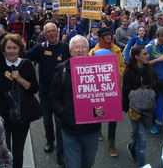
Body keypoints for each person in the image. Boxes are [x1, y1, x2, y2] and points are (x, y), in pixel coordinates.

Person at [0, 2, 39, 168]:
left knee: (18, 153)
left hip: (21, 114)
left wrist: (21, 80)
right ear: (3, 49)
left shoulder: (25, 64)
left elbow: (34, 89)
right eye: (8, 48)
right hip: (1, 114)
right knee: (4, 151)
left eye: (14, 48)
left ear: (20, 49)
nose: (11, 51)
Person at [50, 35, 104, 168]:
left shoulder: (99, 68)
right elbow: (53, 96)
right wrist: (64, 113)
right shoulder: (62, 69)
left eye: (83, 47)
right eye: (77, 47)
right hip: (70, 129)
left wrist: (103, 109)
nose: (80, 50)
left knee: (88, 162)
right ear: (71, 51)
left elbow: (107, 95)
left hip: (92, 129)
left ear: (88, 49)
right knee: (73, 165)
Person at [24, 22, 70, 167]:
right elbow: (25, 58)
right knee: (47, 120)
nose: (51, 34)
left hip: (62, 93)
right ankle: (50, 140)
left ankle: (61, 153)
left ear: (57, 32)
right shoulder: (40, 48)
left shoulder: (64, 46)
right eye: (48, 31)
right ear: (44, 34)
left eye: (53, 31)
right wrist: (20, 46)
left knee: (60, 121)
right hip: (45, 92)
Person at [88, 27, 125, 157]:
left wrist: (117, 75)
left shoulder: (117, 50)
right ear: (100, 38)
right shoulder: (93, 52)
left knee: (113, 115)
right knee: (98, 111)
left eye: (110, 35)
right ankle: (98, 129)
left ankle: (111, 143)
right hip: (98, 89)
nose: (108, 37)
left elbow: (122, 67)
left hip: (113, 88)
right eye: (105, 36)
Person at [122, 45, 158, 167]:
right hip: (134, 109)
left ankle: (132, 147)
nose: (148, 56)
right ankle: (142, 165)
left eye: (147, 54)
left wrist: (150, 96)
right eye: (144, 54)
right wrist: (140, 93)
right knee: (142, 138)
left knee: (139, 133)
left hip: (148, 109)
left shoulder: (150, 70)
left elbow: (156, 87)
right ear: (137, 57)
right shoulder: (129, 71)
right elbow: (126, 92)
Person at [146, 26, 163, 134]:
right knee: (152, 103)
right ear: (160, 36)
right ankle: (152, 124)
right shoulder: (150, 47)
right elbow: (144, 63)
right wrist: (158, 59)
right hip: (154, 79)